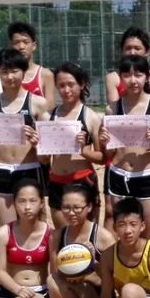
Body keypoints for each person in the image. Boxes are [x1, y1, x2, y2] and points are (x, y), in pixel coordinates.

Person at [27, 183, 116, 298]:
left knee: (55, 282)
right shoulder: (57, 236)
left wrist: (93, 266)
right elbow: (55, 274)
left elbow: (115, 280)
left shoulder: (103, 237)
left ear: (89, 207)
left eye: (77, 208)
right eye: (66, 208)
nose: (71, 212)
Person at [100, 55, 150, 248]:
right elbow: (108, 155)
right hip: (119, 175)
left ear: (147, 77)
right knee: (123, 233)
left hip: (146, 176)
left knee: (148, 235)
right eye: (127, 75)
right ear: (121, 78)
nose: (133, 80)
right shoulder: (112, 109)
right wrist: (105, 143)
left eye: (138, 74)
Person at [0, 48, 50, 227]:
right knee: (8, 229)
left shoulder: (38, 103)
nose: (10, 77)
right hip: (3, 169)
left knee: (36, 228)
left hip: (29, 169)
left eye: (14, 71)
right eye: (4, 72)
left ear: (23, 72)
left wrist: (37, 143)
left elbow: (46, 155)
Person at [102, 27, 150, 232]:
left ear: (147, 52)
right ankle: (109, 249)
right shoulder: (114, 77)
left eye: (137, 48)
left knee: (148, 216)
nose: (132, 52)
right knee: (111, 212)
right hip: (118, 151)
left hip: (146, 153)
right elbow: (118, 114)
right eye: (128, 48)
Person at [47, 62, 105, 229]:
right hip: (57, 180)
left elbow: (102, 158)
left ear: (82, 84)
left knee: (87, 234)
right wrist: (39, 144)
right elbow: (43, 158)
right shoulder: (49, 117)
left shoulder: (91, 117)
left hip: (82, 179)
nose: (66, 90)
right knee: (63, 234)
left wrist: (83, 151)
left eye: (71, 84)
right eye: (61, 85)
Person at [8, 21, 56, 104]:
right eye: (16, 42)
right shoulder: (4, 77)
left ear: (34, 46)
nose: (21, 47)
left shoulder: (46, 75)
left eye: (26, 42)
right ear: (10, 46)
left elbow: (50, 108)